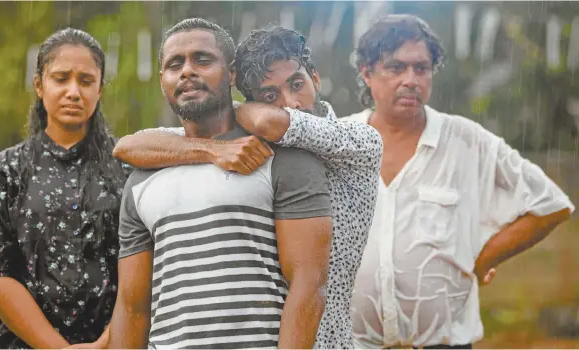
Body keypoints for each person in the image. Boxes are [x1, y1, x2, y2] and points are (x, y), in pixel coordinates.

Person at [112, 25, 383, 349]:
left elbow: (273, 122)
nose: (291, 104)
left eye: (297, 84)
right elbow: (127, 147)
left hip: (326, 341)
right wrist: (212, 145)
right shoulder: (245, 147)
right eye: (271, 96)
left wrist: (229, 106)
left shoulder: (357, 140)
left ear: (316, 77)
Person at [346, 14, 575, 349]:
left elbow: (550, 205)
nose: (411, 79)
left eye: (421, 68)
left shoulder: (467, 141)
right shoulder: (340, 141)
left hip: (444, 342)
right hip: (351, 342)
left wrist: (481, 260)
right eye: (396, 68)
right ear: (367, 73)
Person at [0, 28, 130, 349]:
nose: (74, 91)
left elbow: (147, 262)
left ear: (100, 90)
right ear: (39, 86)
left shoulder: (127, 168)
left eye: (86, 81)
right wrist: (55, 347)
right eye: (61, 78)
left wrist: (109, 340)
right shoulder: (8, 170)